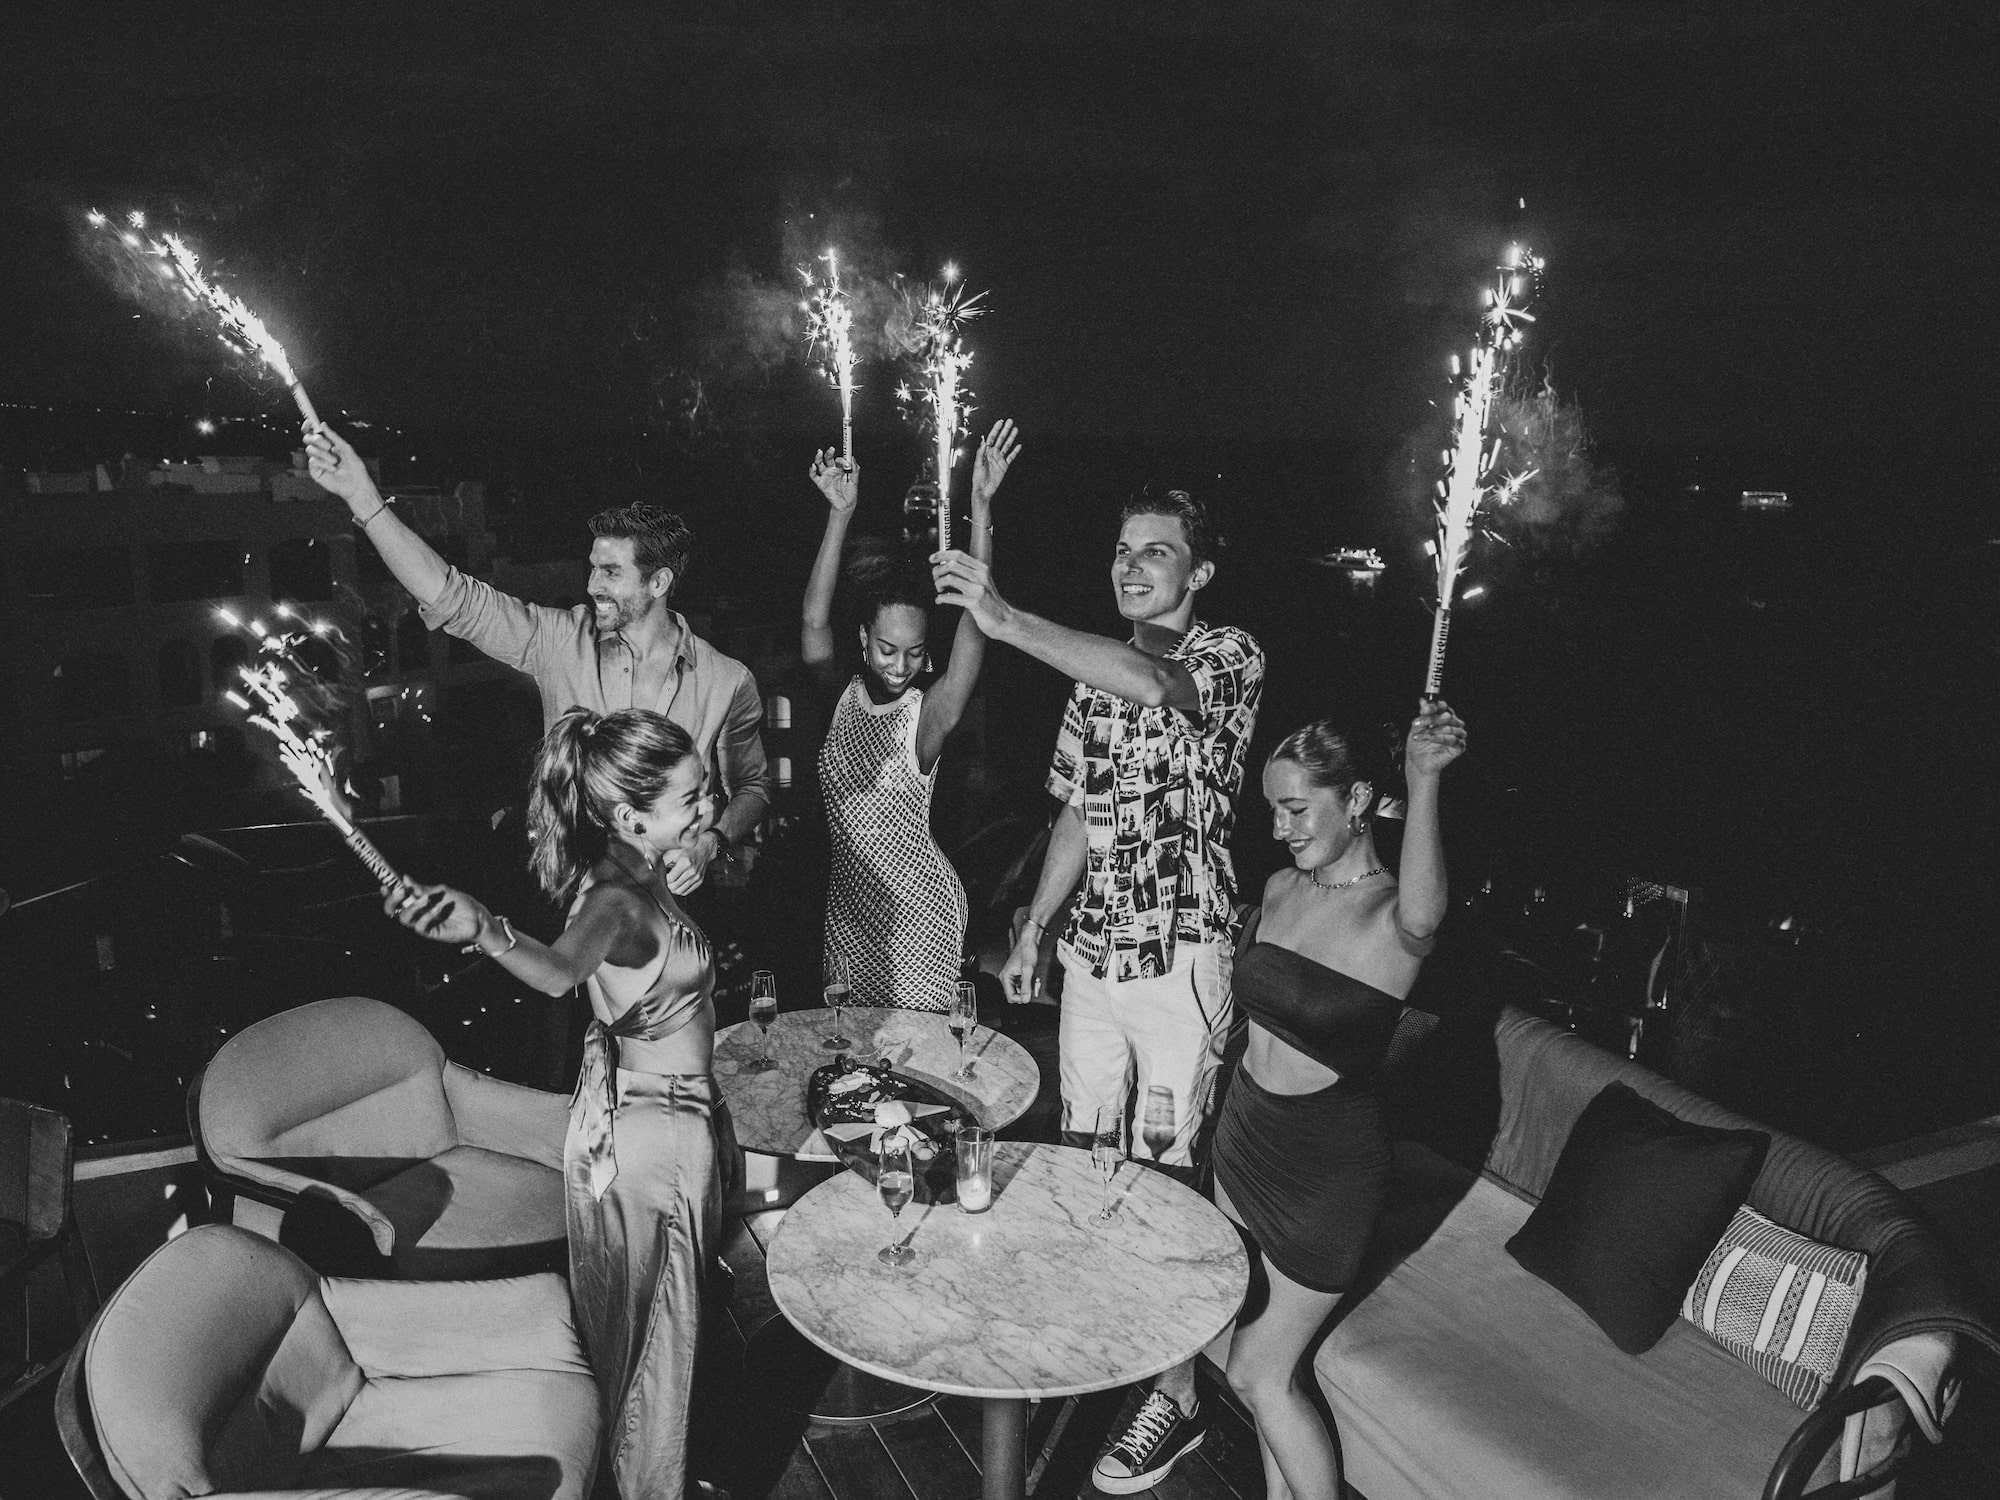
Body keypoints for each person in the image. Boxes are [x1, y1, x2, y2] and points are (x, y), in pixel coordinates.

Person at [933, 488, 1262, 1489]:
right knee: (1085, 1157)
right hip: (1093, 955)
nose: (1130, 566)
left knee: (1167, 1174)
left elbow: (1155, 685)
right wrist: (1032, 924)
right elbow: (1075, 811)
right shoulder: (1092, 672)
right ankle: (1094, 1335)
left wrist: (1001, 619)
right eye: (1121, 550)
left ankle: (1174, 1397)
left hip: (1179, 955)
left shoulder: (1226, 655)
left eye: (1154, 553)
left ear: (1194, 574)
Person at [385, 707, 734, 1500]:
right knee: (661, 1329)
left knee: (659, 1317)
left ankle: (639, 1469)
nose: (706, 808)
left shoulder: (641, 865)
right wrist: (485, 928)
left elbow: (693, 861)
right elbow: (557, 974)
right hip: (657, 1136)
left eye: (705, 790)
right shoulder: (612, 899)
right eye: (692, 800)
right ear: (630, 815)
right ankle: (649, 1486)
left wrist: (698, 846)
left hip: (668, 1116)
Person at [307, 423, 770, 896]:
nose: (592, 586)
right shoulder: (559, 640)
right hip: (574, 897)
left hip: (675, 910)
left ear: (659, 583)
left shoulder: (727, 679)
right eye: (592, 568)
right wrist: (364, 500)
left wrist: (709, 844)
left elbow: (752, 789)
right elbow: (453, 597)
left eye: (611, 572)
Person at [1210, 701, 1467, 1500]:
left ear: (1356, 800)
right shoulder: (1281, 888)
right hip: (1243, 1135)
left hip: (1325, 1170)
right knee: (1241, 1354)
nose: (1283, 828)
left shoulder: (1394, 918)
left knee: (1260, 1372)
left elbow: (1428, 913)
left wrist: (1423, 779)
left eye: (1298, 808)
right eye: (1275, 811)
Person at [801, 421, 1021, 1010]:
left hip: (917, 921)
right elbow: (814, 622)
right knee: (850, 1065)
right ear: (865, 639)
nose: (901, 666)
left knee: (915, 1072)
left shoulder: (925, 717)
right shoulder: (842, 696)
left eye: (917, 653)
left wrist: (980, 509)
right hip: (849, 916)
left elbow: (976, 632)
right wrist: (839, 516)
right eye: (888, 649)